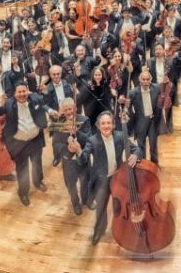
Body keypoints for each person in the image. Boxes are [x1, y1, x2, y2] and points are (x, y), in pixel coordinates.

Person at [69, 111, 141, 245]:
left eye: (108, 123)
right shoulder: (92, 140)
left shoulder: (120, 136)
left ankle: (120, 228)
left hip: (117, 178)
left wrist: (136, 155)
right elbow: (82, 159)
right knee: (101, 208)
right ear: (98, 126)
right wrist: (78, 150)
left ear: (113, 125)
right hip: (101, 181)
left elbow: (137, 149)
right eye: (103, 123)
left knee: (118, 206)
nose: (106, 126)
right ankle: (99, 231)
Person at [0, 83, 48, 206]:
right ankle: (23, 192)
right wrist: (0, 103)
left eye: (24, 91)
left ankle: (38, 182)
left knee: (37, 163)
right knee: (22, 169)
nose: (22, 94)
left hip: (35, 140)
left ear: (28, 91)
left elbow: (45, 104)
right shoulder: (8, 103)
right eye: (19, 92)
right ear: (14, 93)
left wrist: (45, 93)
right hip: (19, 143)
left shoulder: (35, 98)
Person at [52, 98, 91, 215]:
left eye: (70, 109)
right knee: (70, 185)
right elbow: (56, 144)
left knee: (85, 182)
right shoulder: (59, 124)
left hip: (82, 159)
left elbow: (89, 140)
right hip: (68, 162)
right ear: (63, 111)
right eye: (66, 110)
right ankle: (76, 204)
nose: (69, 112)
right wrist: (67, 149)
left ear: (75, 108)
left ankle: (85, 200)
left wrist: (76, 132)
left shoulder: (84, 120)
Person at [121, 70, 162, 164]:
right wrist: (126, 109)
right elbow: (127, 106)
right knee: (141, 146)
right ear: (140, 80)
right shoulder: (133, 92)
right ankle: (143, 165)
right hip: (140, 121)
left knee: (153, 145)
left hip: (152, 121)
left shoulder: (157, 88)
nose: (146, 82)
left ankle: (154, 165)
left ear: (151, 80)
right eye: (143, 79)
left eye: (147, 79)